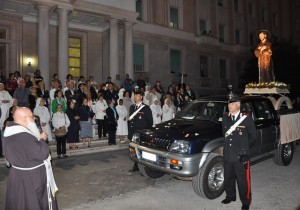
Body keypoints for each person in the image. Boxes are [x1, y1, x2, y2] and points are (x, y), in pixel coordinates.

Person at [3, 107, 58, 210]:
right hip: (32, 177)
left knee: (21, 202)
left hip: (17, 175)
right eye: (32, 117)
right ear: (25, 119)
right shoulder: (23, 135)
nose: (34, 119)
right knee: (32, 202)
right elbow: (42, 153)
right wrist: (42, 139)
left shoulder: (9, 131)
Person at [221, 94, 256, 210]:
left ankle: (246, 201)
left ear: (237, 105)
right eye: (228, 103)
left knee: (243, 180)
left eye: (231, 104)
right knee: (228, 177)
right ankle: (230, 196)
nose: (229, 105)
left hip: (241, 156)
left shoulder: (247, 118)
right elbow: (225, 134)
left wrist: (245, 150)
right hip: (228, 153)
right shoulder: (225, 117)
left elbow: (253, 136)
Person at [128, 89, 153, 172]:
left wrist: (146, 133)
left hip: (141, 134)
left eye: (137, 95)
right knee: (134, 150)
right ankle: (136, 165)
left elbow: (150, 122)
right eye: (134, 95)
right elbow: (131, 121)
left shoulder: (146, 108)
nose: (135, 97)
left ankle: (143, 167)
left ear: (141, 97)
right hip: (133, 133)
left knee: (142, 151)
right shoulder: (132, 107)